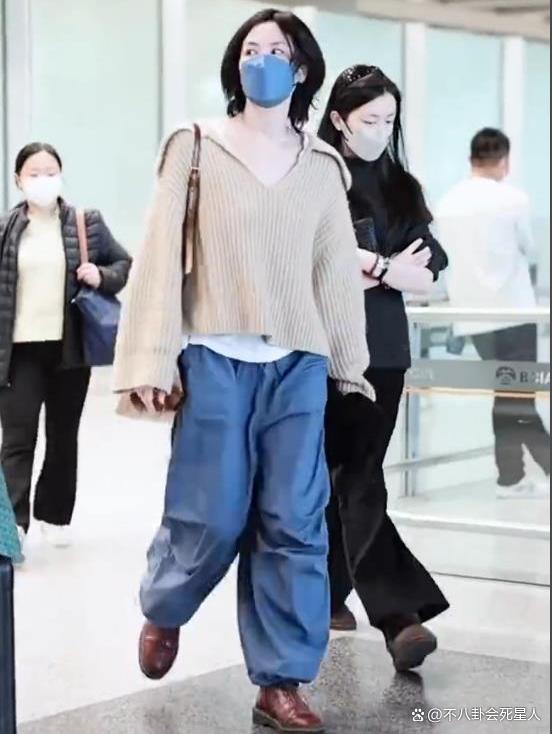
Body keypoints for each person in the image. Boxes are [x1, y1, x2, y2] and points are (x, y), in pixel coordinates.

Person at [113, 10, 373, 733]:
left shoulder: (324, 167)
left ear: (301, 69)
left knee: (294, 523)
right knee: (212, 513)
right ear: (236, 66)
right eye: (250, 49)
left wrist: (350, 372)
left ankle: (281, 681)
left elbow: (334, 276)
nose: (262, 59)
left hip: (297, 364)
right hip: (214, 356)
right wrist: (150, 357)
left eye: (276, 50)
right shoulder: (195, 146)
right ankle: (166, 606)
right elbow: (159, 255)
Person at [318, 65, 449, 671]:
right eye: (369, 119)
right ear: (339, 119)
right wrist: (385, 265)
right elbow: (316, 256)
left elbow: (429, 268)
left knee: (356, 474)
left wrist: (375, 267)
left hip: (385, 352)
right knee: (339, 478)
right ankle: (391, 613)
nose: (380, 129)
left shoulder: (401, 186)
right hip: (322, 347)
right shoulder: (316, 175)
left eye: (388, 120)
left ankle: (349, 602)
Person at [0, 143, 131, 553]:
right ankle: (12, 525)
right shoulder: (5, 228)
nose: (43, 180)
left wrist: (100, 275)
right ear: (18, 179)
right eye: (34, 173)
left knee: (62, 436)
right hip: (19, 352)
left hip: (68, 348)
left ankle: (54, 516)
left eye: (50, 172)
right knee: (17, 438)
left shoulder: (85, 223)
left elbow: (123, 264)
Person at [436, 128, 550, 500]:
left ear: (471, 159)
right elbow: (530, 250)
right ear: (504, 160)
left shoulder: (448, 202)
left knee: (508, 396)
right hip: (514, 312)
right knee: (517, 396)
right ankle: (519, 475)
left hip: (473, 316)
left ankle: (511, 478)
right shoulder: (512, 199)